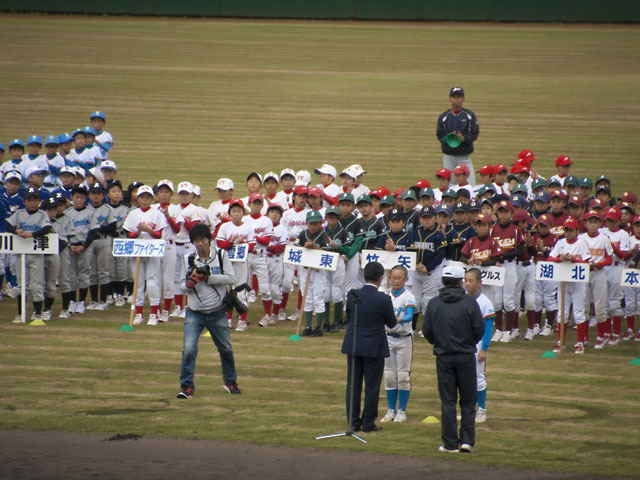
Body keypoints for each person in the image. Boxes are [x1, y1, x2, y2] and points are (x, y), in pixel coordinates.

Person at [422, 265, 484, 453]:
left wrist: (439, 343)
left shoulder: (434, 303)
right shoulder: (470, 302)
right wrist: (466, 343)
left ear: (442, 281)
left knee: (448, 401)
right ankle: (466, 441)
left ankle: (450, 443)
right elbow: (479, 329)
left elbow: (427, 331)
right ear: (460, 282)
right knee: (467, 400)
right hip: (465, 355)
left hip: (443, 356)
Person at [177, 223, 241, 399]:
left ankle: (230, 381)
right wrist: (190, 283)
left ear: (209, 239)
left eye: (203, 239)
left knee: (226, 349)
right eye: (196, 241)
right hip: (194, 311)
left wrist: (209, 277)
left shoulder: (220, 255)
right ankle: (186, 387)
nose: (200, 244)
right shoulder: (187, 259)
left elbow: (231, 278)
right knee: (189, 349)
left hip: (217, 311)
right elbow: (182, 285)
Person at [341, 261, 397, 433]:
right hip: (374, 346)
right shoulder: (384, 299)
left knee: (353, 385)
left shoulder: (353, 295)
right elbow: (392, 323)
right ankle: (368, 422)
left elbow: (350, 316)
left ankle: (353, 421)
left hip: (355, 344)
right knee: (372, 387)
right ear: (381, 279)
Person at [380, 265, 416, 424]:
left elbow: (409, 315)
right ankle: (390, 410)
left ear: (406, 279)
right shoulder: (385, 296)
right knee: (388, 375)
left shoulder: (409, 296)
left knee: (402, 376)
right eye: (393, 277)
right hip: (387, 337)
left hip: (404, 338)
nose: (395, 281)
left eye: (399, 278)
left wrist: (398, 319)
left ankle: (402, 410)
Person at [463, 268, 495, 423]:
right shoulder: (462, 298)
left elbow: (489, 326)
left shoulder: (484, 302)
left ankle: (481, 410)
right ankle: (468, 410)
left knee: (478, 378)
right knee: (464, 379)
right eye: (465, 280)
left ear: (479, 283)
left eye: (471, 281)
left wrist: (484, 348)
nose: (467, 284)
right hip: (462, 345)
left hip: (477, 345)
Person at [436, 87, 480, 186]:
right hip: (449, 156)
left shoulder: (469, 115)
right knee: (449, 184)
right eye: (454, 97)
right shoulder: (444, 116)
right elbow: (439, 135)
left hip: (464, 156)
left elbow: (474, 133)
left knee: (470, 184)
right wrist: (449, 139)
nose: (456, 99)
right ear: (450, 99)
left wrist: (463, 139)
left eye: (459, 97)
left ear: (463, 99)